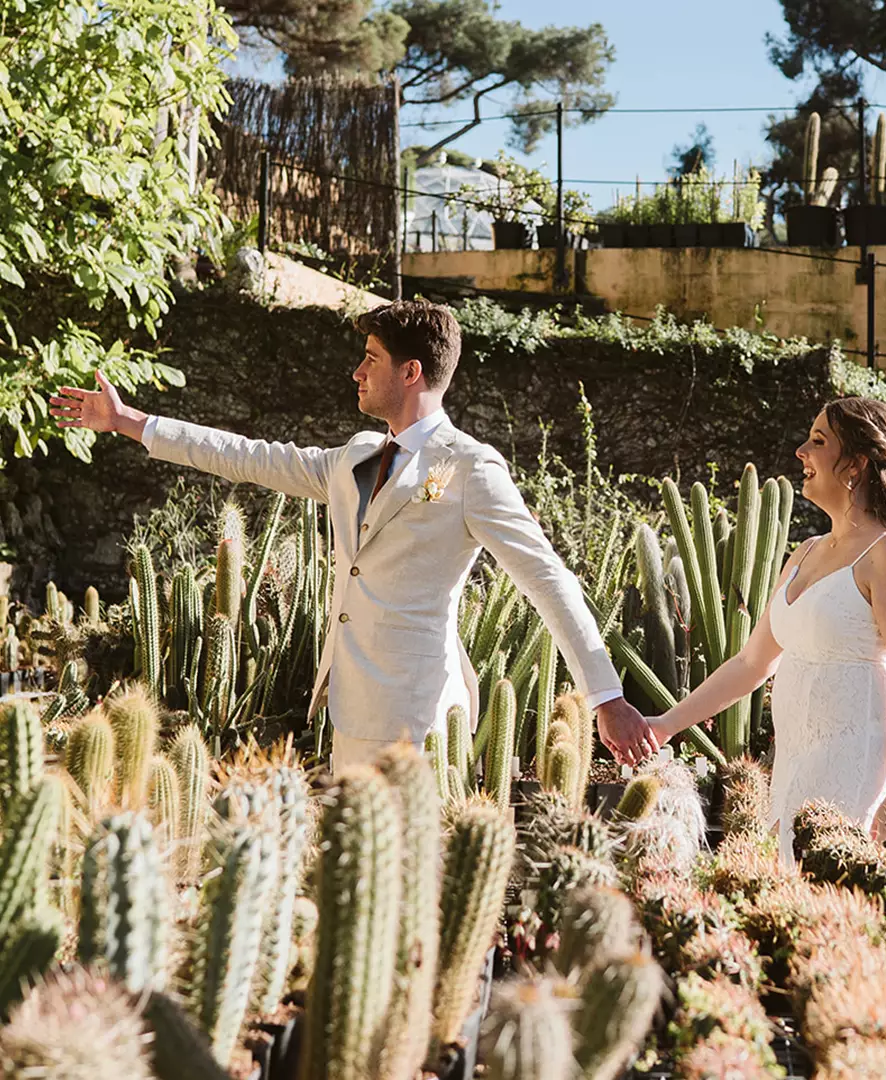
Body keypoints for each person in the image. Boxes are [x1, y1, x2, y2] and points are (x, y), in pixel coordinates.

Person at [49, 300, 659, 772]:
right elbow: (248, 456)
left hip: (421, 720)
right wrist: (130, 422)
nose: (356, 370)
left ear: (411, 371)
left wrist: (604, 695)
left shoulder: (471, 468)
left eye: (370, 357)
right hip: (349, 710)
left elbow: (548, 579)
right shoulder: (356, 456)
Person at [650, 397, 886, 863]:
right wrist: (666, 725)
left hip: (857, 771)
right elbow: (752, 664)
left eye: (817, 441)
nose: (800, 452)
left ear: (856, 463)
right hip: (794, 767)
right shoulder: (805, 553)